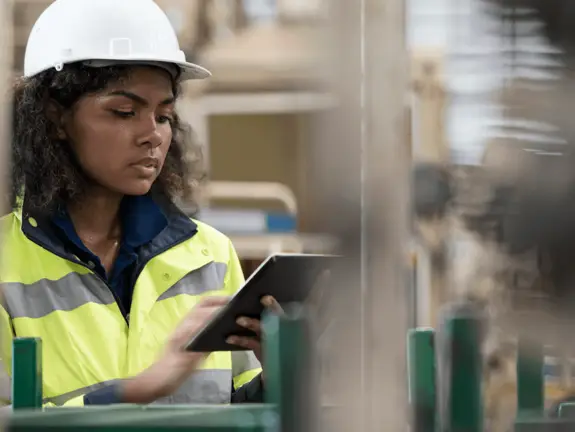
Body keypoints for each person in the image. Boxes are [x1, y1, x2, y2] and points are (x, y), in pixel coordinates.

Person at [0, 0, 279, 407]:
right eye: (125, 111)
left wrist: (280, 374)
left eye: (164, 116)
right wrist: (136, 390)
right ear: (55, 118)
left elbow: (237, 411)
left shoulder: (210, 256)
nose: (152, 135)